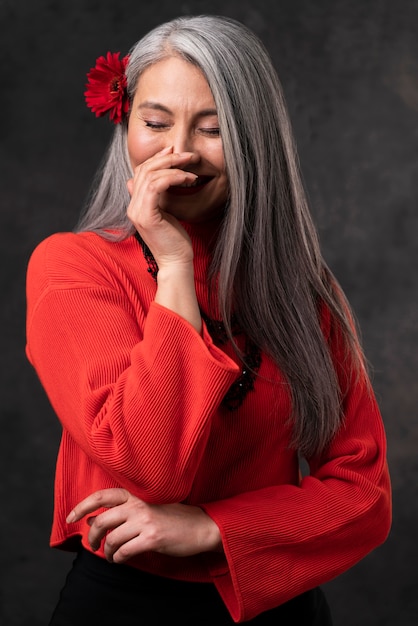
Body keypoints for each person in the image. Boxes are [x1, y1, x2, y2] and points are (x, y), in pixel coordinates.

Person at [25, 14, 391, 626]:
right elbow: (150, 465)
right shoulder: (73, 267)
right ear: (126, 126)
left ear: (254, 141)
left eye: (213, 128)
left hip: (278, 608)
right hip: (123, 606)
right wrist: (172, 261)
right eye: (156, 123)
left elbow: (364, 496)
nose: (180, 152)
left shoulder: (305, 290)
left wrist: (211, 527)